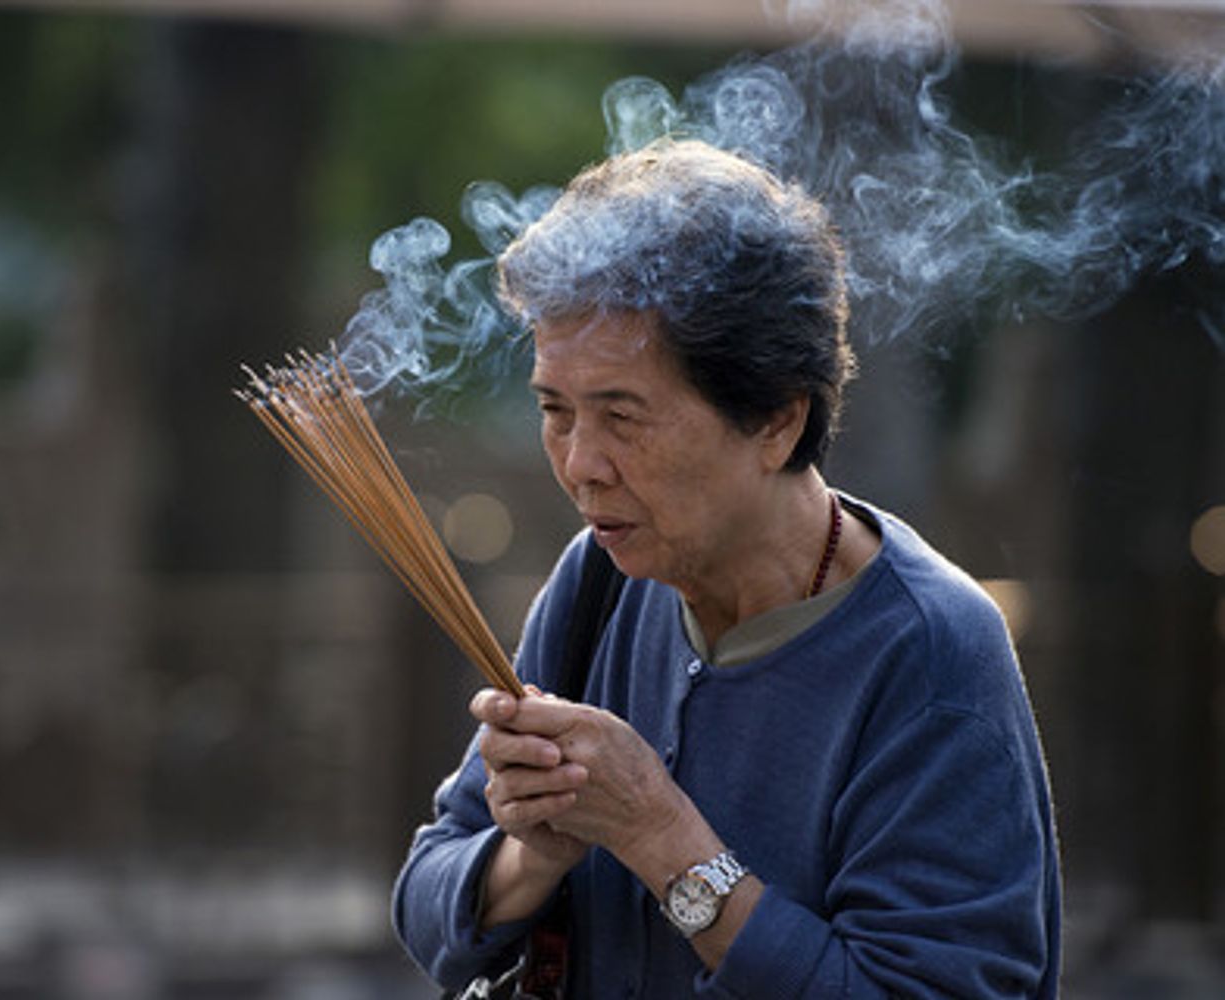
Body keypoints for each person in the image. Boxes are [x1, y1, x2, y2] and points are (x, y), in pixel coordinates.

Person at [392, 140, 1061, 998]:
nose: (580, 464)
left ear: (777, 420)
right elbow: (426, 895)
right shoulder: (600, 578)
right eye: (555, 412)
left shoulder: (929, 655)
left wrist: (660, 836)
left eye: (622, 416)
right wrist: (534, 853)